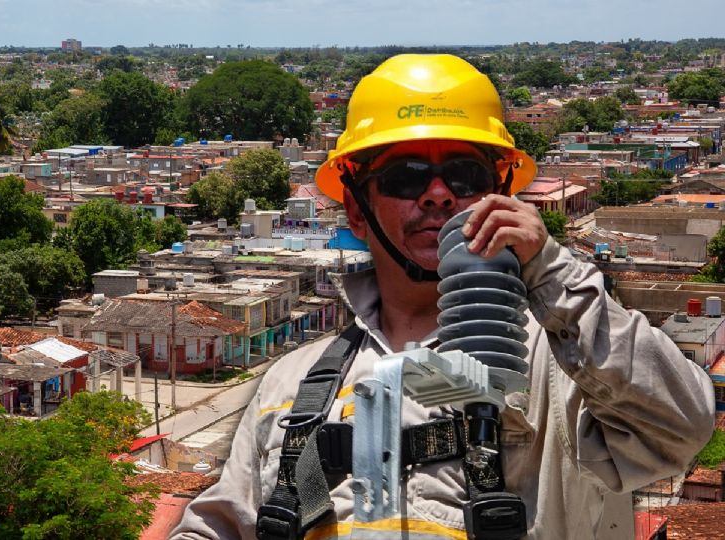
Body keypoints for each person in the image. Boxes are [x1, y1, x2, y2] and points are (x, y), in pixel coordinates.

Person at [170, 54, 715, 540]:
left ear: (501, 196)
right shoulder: (295, 382)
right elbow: (220, 524)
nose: (438, 194)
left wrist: (550, 270)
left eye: (464, 174)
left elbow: (681, 426)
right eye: (407, 177)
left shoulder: (560, 365)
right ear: (357, 210)